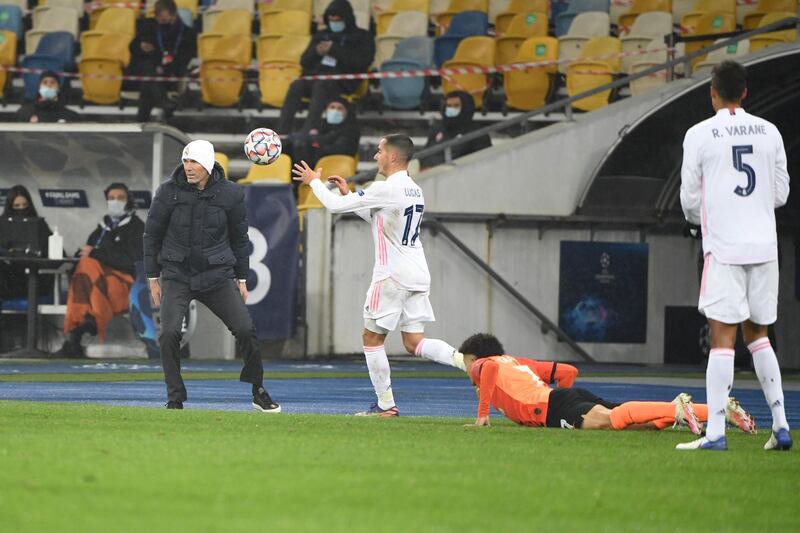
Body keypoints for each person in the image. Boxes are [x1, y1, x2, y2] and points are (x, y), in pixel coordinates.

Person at [292, 134, 466, 417]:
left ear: (393, 157)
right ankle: (466, 362)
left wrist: (313, 180)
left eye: (380, 151)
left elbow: (334, 208)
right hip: (417, 273)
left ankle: (385, 405)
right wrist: (350, 196)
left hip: (392, 276)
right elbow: (380, 218)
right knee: (414, 342)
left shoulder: (386, 187)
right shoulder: (413, 189)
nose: (375, 156)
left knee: (372, 339)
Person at [678, 60, 792, 451]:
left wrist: (707, 217)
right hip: (764, 247)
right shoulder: (770, 132)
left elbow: (690, 201)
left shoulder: (699, 134)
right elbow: (780, 195)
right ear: (745, 92)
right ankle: (781, 426)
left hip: (724, 248)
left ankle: (716, 434)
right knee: (759, 335)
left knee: (722, 339)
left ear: (713, 92)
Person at [143, 140, 281, 412]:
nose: (189, 167)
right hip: (177, 274)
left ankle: (258, 389)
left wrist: (241, 278)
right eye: (186, 161)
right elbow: (152, 236)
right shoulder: (167, 192)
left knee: (245, 330)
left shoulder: (231, 194)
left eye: (194, 162)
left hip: (216, 275)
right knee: (169, 333)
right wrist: (152, 278)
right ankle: (175, 397)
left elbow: (239, 239)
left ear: (207, 164)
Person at [460, 333, 757, 434]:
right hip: (562, 397)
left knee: (613, 421)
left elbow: (485, 372)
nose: (466, 367)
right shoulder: (515, 361)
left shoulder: (485, 365)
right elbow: (566, 371)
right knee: (636, 423)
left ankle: (678, 408)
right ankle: (720, 410)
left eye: (466, 361)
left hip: (552, 407)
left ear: (476, 357)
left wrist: (482, 415)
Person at [54, 183, 145, 357]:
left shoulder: (137, 227)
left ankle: (76, 334)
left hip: (124, 285)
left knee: (87, 267)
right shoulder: (102, 228)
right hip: (95, 285)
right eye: (111, 198)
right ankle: (86, 324)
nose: (115, 202)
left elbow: (131, 261)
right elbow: (85, 254)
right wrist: (81, 257)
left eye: (120, 198)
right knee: (85, 267)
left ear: (129, 201)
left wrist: (95, 253)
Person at [277, 0, 374, 134]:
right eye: (331, 20)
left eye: (338, 20)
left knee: (322, 86)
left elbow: (361, 62)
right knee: (296, 85)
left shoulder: (362, 36)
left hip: (343, 81)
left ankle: (308, 131)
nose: (334, 23)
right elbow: (304, 61)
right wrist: (316, 52)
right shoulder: (321, 35)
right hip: (316, 77)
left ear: (347, 18)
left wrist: (334, 49)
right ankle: (281, 132)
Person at [127, 0, 196, 122]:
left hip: (172, 73)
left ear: (173, 14)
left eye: (163, 19)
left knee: (147, 83)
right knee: (148, 74)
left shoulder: (187, 33)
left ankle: (141, 121)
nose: (160, 22)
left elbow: (185, 58)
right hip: (153, 71)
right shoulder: (150, 27)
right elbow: (133, 48)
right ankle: (164, 103)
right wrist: (142, 48)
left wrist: (164, 66)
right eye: (158, 18)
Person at [0, 185, 54, 301]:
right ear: (10, 207)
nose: (21, 209)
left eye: (25, 205)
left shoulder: (40, 226)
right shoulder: (2, 226)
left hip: (36, 278)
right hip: (9, 280)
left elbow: (55, 253)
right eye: (17, 206)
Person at [282, 96, 361, 171]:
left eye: (340, 108)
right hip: (315, 161)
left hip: (335, 163)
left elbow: (338, 149)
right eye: (332, 107)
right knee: (291, 145)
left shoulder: (351, 130)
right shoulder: (321, 125)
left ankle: (299, 181)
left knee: (301, 145)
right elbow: (312, 139)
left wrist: (316, 144)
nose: (335, 111)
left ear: (346, 112)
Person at [419, 91, 491, 169]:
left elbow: (483, 162)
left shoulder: (477, 133)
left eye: (456, 106)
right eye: (449, 106)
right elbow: (425, 152)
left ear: (466, 107)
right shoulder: (438, 128)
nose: (451, 109)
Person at [16, 71, 80, 124]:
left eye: (53, 82)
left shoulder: (70, 116)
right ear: (39, 88)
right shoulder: (24, 112)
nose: (49, 85)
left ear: (58, 88)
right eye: (45, 82)